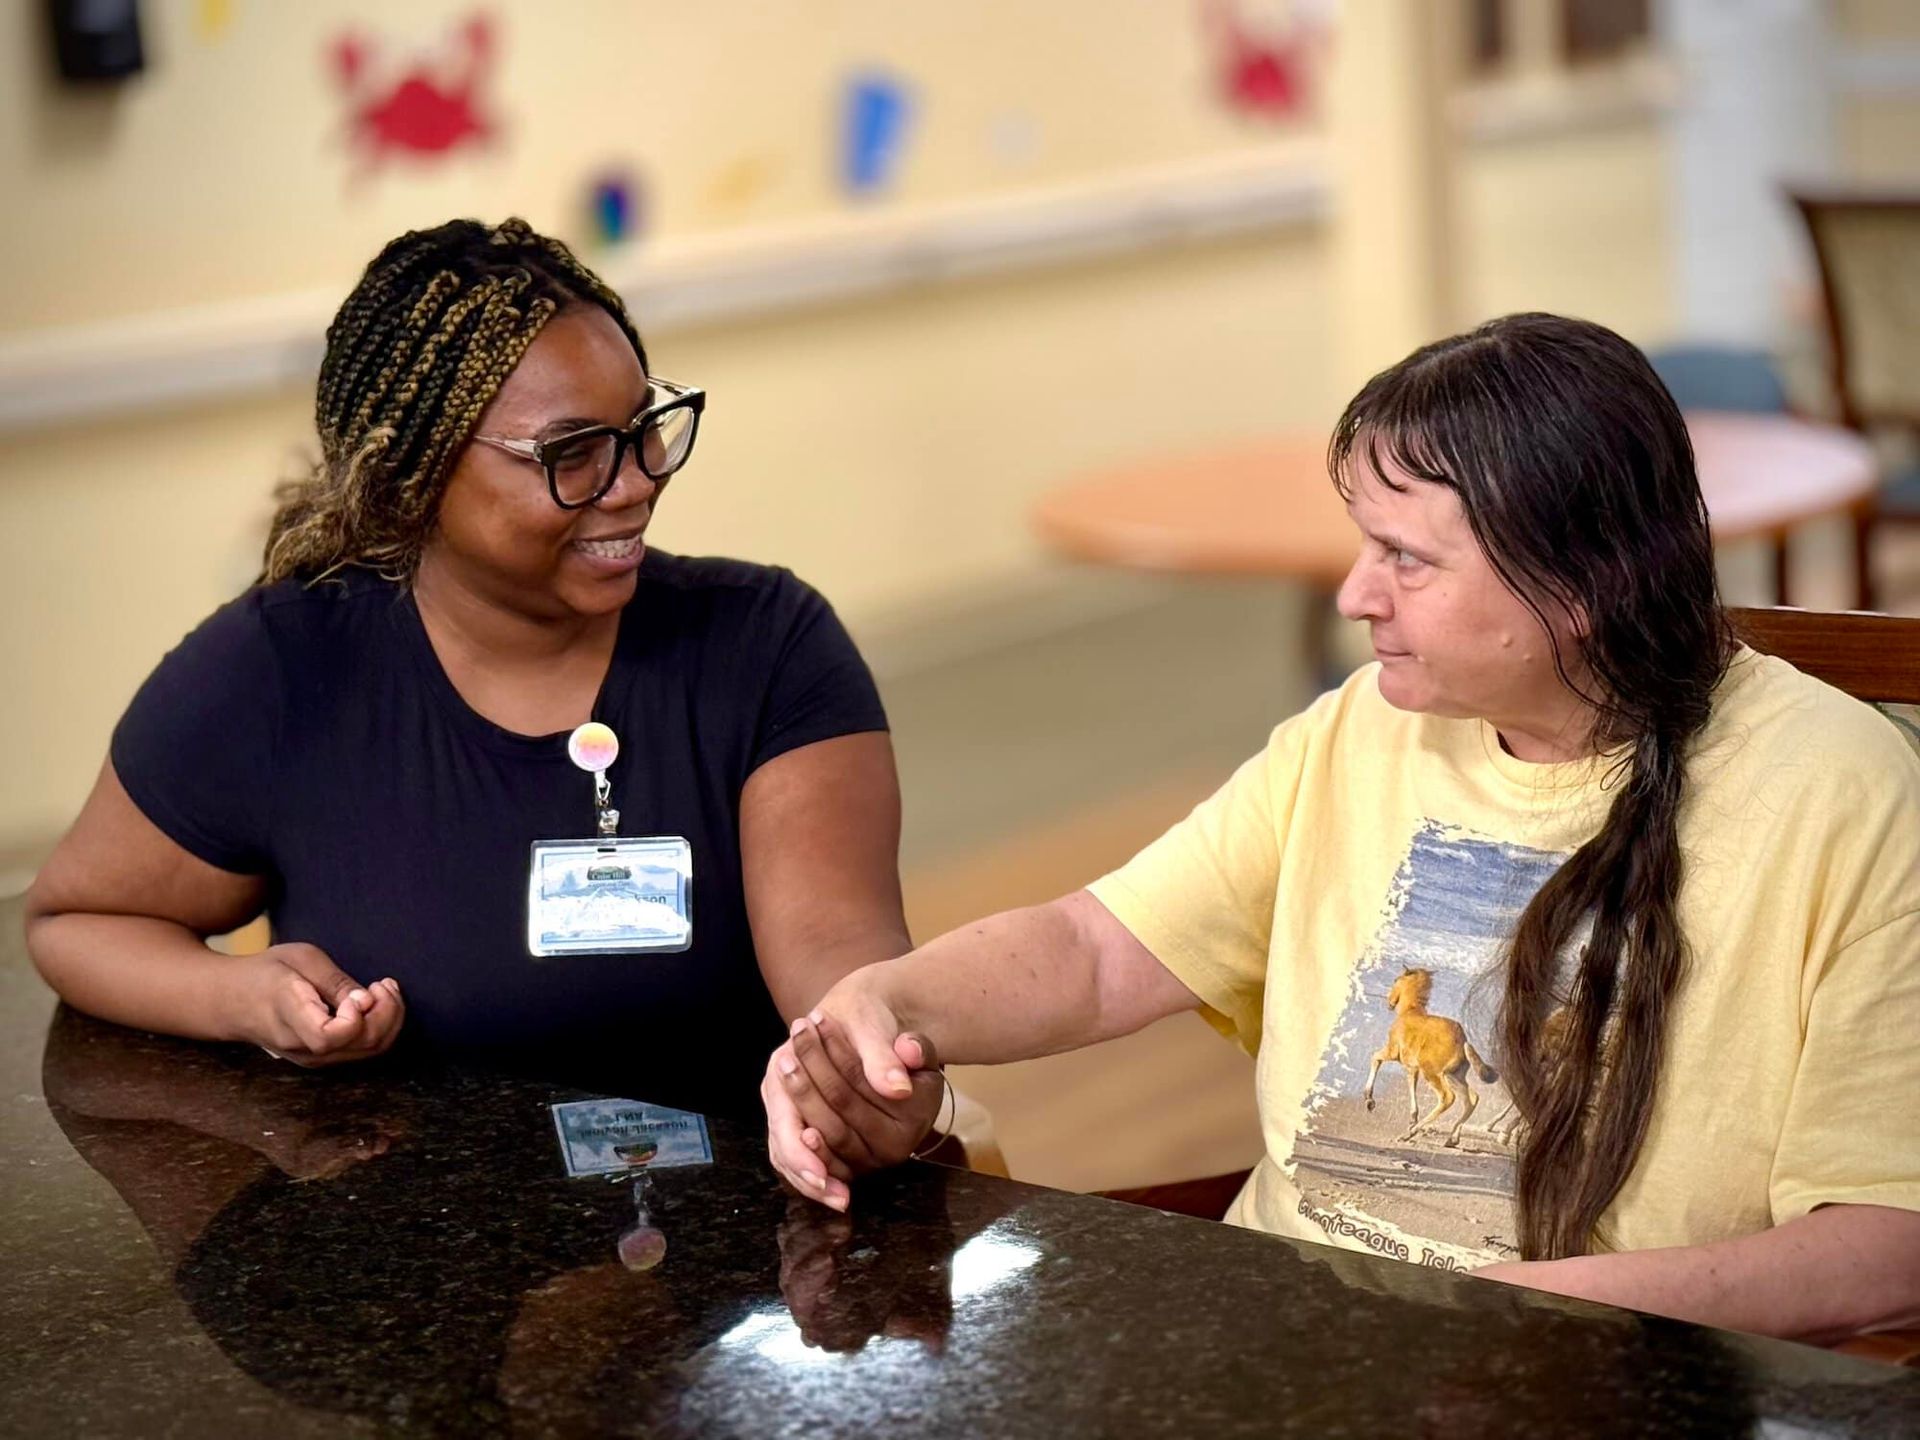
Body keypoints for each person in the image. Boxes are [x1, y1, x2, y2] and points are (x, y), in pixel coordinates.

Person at [765, 313, 1920, 1344]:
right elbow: (1097, 947)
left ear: (1578, 587)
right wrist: (888, 1004)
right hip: (1297, 1350)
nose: (1354, 595)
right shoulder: (1361, 728)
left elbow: (1886, 1238)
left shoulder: (1841, 791)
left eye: (1406, 558)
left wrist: (1529, 1319)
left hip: (1586, 1382)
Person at [25, 216, 941, 1131]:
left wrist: (872, 1075)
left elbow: (840, 961)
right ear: (409, 478)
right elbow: (78, 924)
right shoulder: (280, 670)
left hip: (738, 1238)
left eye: (642, 429)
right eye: (569, 453)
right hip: (408, 1256)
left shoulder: (767, 645)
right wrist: (240, 997)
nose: (633, 483)